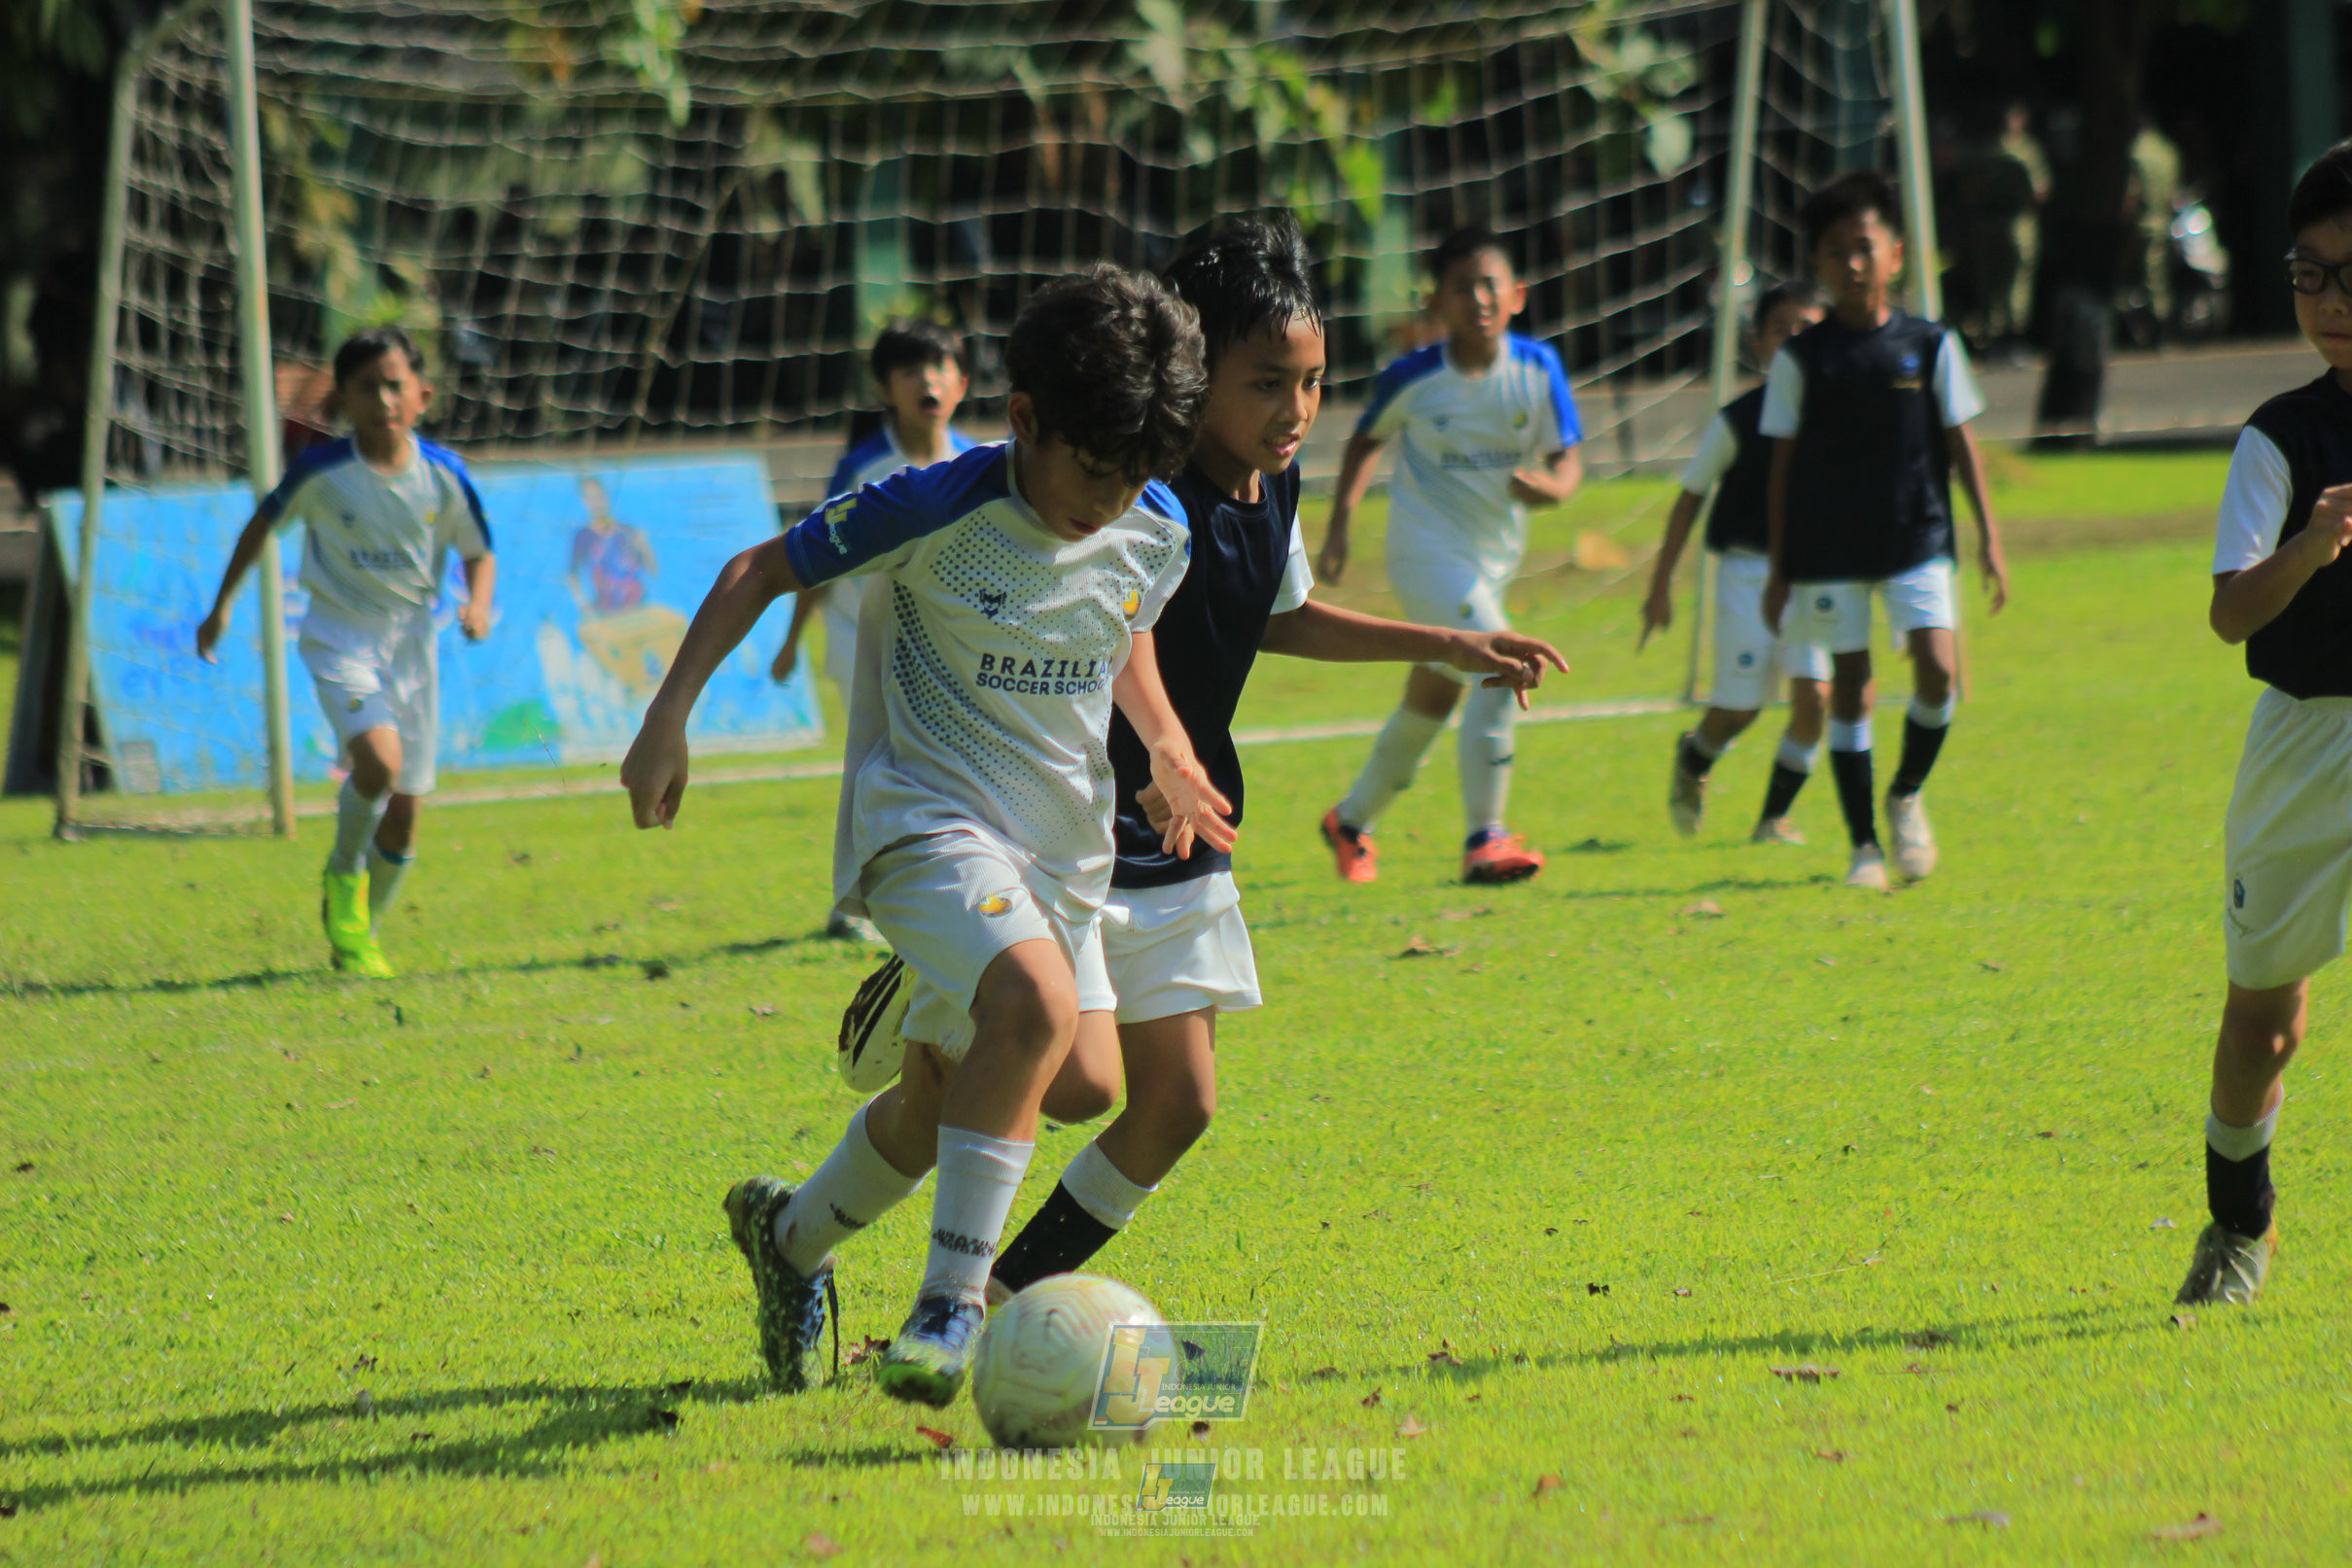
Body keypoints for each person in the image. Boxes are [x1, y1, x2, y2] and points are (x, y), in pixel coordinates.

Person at [618, 265, 1230, 1406]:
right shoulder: (937, 505)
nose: (1109, 500)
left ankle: (789, 1236)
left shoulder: (1154, 520)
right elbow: (759, 567)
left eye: (1134, 475)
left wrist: (1165, 745)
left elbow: (1124, 627)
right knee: (1032, 1005)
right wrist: (667, 719)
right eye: (1093, 471)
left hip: (1060, 847)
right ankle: (948, 1306)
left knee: (1070, 1083)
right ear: (1026, 419)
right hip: (926, 819)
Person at [978, 218, 1565, 1299]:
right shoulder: (1144, 493)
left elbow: (1281, 615)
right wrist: (1162, 742)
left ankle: (1001, 1299)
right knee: (1073, 1081)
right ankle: (937, 1032)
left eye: (1311, 383)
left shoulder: (1270, 482)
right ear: (1195, 372)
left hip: (1184, 826)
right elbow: (1124, 625)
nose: (1295, 410)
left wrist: (1448, 643)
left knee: (1178, 1104)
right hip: (1076, 818)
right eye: (1265, 384)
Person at [2179, 139, 2352, 1307]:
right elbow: (2229, 613)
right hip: (2307, 743)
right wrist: (2308, 547)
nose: (2329, 301)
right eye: (2308, 275)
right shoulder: (2277, 436)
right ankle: (2238, 1220)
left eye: (2351, 275)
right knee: (2262, 1025)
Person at [196, 326, 495, 979]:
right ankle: (342, 870)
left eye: (394, 385)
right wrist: (221, 605)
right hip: (340, 637)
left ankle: (360, 934)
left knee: (406, 815)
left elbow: (479, 549)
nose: (383, 399)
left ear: (422, 395)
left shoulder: (445, 474)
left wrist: (477, 605)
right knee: (378, 763)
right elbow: (261, 525)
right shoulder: (321, 471)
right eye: (367, 387)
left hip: (413, 644)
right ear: (343, 399)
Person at [1761, 171, 2010, 889]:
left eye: (1864, 247)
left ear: (1895, 255)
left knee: (1938, 670)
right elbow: (1781, 468)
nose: (1852, 263)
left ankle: (1904, 793)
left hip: (1917, 537)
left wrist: (1989, 537)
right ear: (1817, 264)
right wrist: (1779, 566)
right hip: (1829, 548)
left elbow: (1961, 443)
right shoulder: (1801, 359)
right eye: (1836, 251)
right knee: (1851, 687)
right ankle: (1863, 847)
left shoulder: (1929, 345)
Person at [1316, 225, 1585, 885]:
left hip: (1493, 559)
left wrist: (1552, 489)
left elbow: (1568, 459)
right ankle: (1484, 838)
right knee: (1499, 667)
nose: (1478, 299)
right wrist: (1340, 525)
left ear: (1517, 294)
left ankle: (1350, 820)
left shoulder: (1537, 368)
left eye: (1489, 284)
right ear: (1435, 302)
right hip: (1425, 554)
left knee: (1433, 696)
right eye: (1461, 288)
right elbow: (1364, 441)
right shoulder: (1414, 377)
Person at [772, 320, 976, 941]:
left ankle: (948, 893)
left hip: (946, 646)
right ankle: (852, 904)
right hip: (860, 640)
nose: (927, 381)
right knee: (876, 765)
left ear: (962, 383)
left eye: (939, 367)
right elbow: (814, 557)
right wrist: (790, 642)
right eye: (911, 370)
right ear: (886, 389)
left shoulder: (978, 462)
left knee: (947, 768)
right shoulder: (864, 467)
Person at [1643, 279, 1831, 844]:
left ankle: (1773, 819)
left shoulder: (1841, 416)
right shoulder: (1739, 419)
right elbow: (1690, 497)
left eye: (1806, 329)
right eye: (1780, 330)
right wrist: (1660, 584)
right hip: (1747, 574)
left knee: (1815, 698)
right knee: (1740, 709)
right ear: (1758, 343)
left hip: (1814, 576)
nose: (1793, 340)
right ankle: (1695, 755)